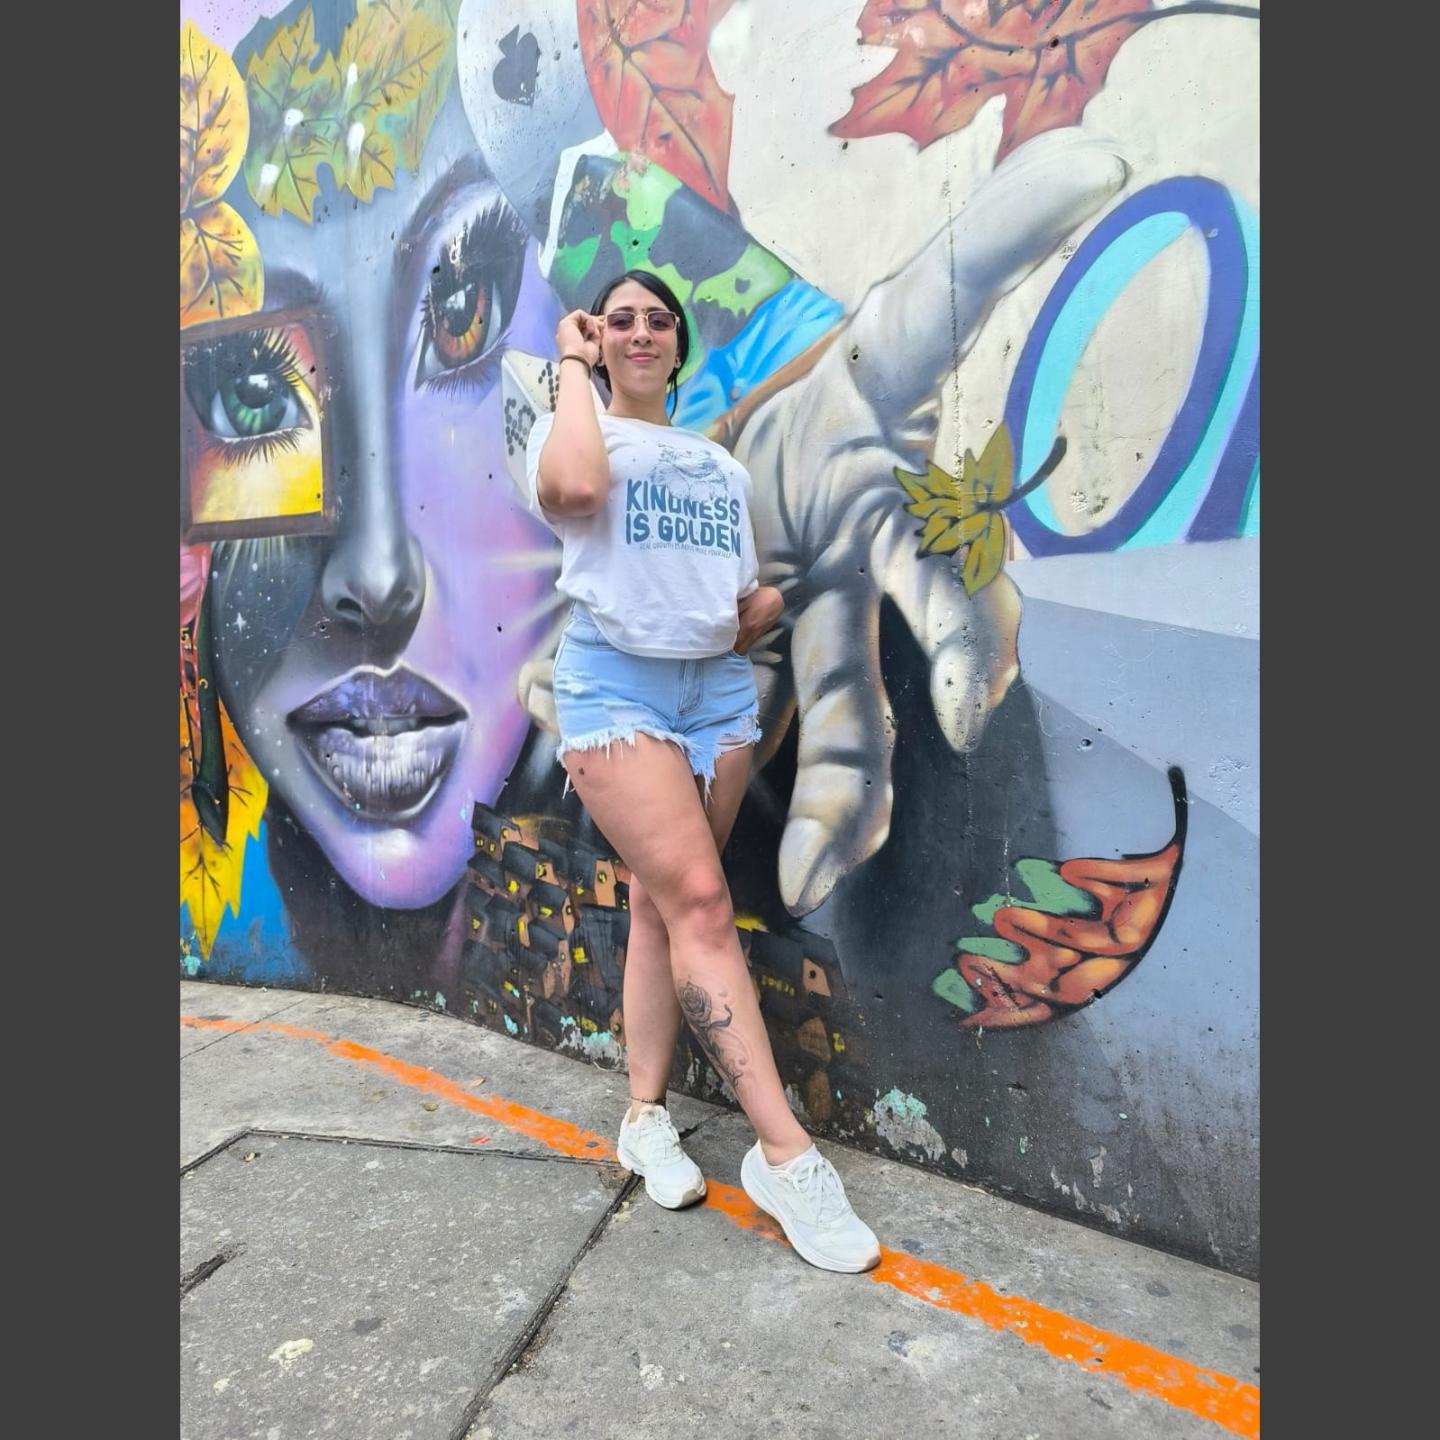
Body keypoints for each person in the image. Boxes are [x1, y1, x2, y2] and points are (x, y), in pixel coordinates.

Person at [525, 269, 882, 1274]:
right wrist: (570, 365)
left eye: (658, 320)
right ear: (600, 339)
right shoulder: (574, 427)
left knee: (660, 905)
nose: (640, 332)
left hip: (715, 696)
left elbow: (730, 593)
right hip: (616, 692)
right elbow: (575, 493)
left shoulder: (719, 467)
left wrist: (761, 607)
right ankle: (786, 1157)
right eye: (620, 320)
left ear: (679, 344)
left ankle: (644, 1118)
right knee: (704, 906)